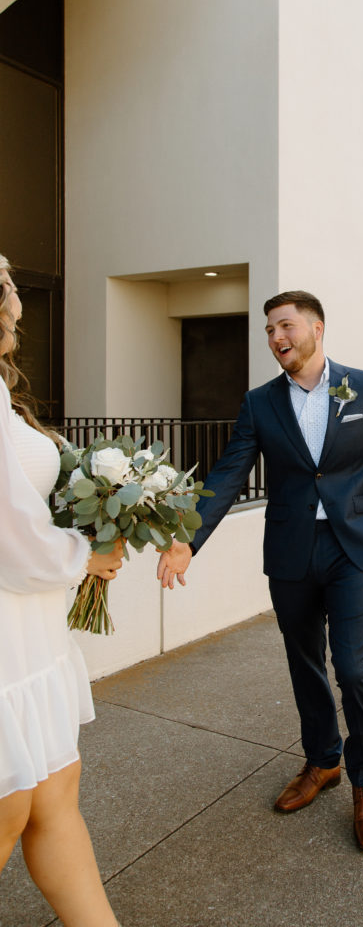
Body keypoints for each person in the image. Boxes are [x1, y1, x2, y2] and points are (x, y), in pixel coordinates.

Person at [157, 290, 363, 851]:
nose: (277, 339)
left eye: (286, 326)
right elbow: (229, 474)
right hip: (291, 552)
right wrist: (187, 540)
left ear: (317, 328)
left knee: (354, 668)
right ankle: (323, 761)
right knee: (304, 663)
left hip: (355, 548)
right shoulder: (261, 403)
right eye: (270, 332)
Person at [0, 256, 123, 926]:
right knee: (12, 808)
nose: (19, 300)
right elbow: (10, 539)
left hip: (30, 636)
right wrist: (90, 556)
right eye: (11, 287)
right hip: (5, 636)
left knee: (54, 796)